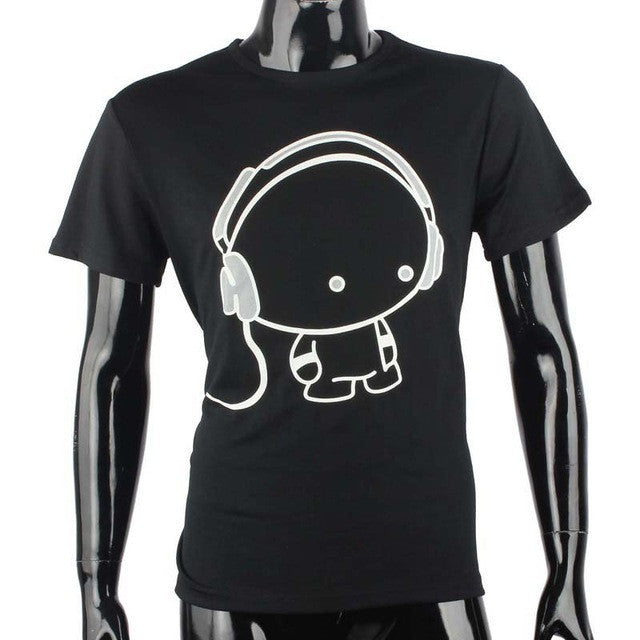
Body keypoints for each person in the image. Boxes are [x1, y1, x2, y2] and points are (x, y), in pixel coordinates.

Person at [49, 1, 595, 638]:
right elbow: (110, 366)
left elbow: (542, 347)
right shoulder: (150, 118)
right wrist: (96, 588)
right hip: (240, 572)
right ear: (240, 285)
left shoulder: (478, 102)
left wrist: (567, 575)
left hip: (428, 566)